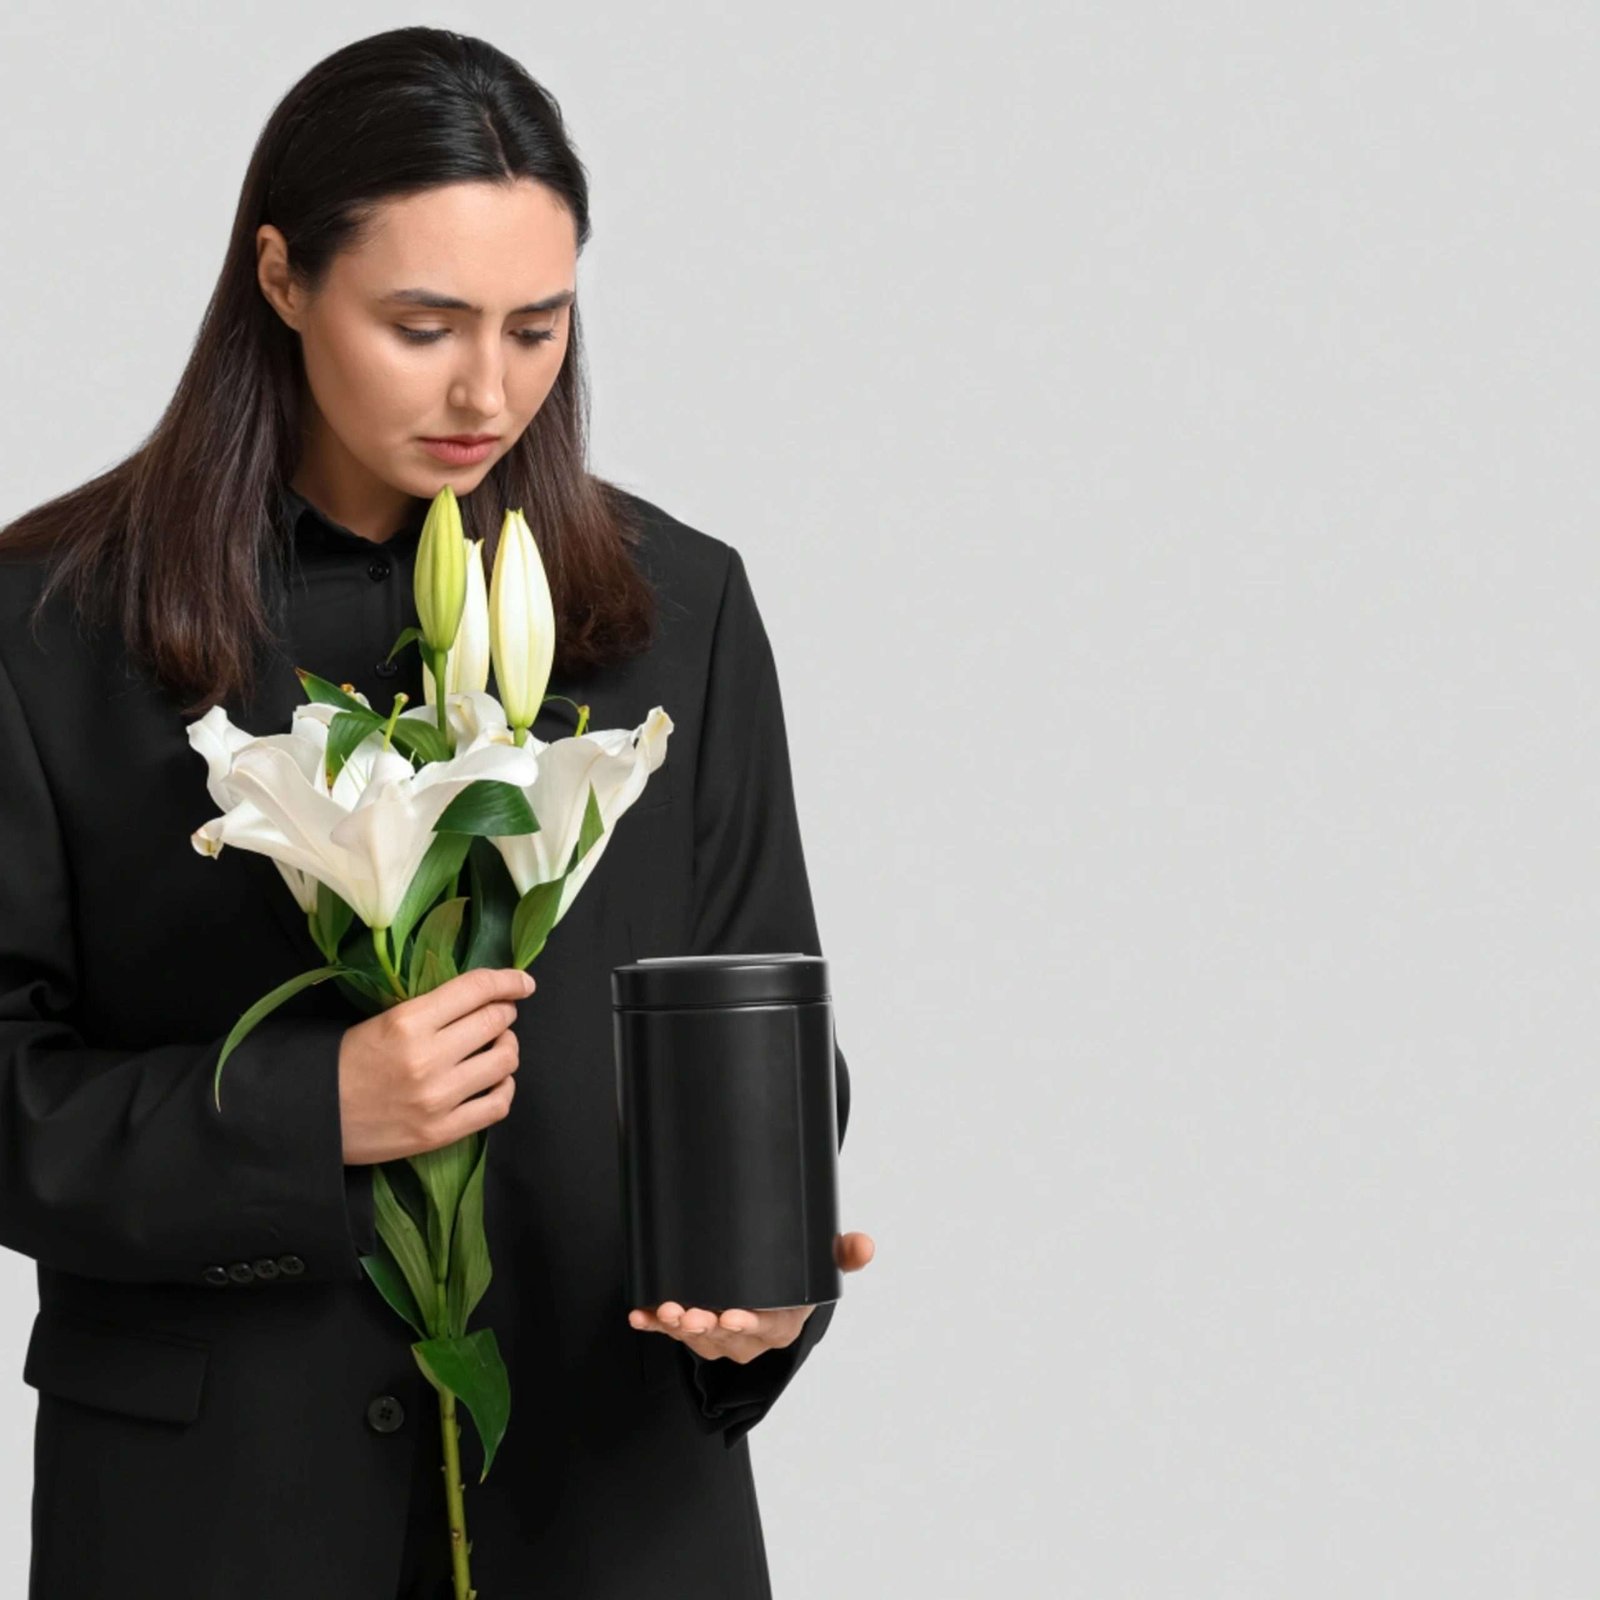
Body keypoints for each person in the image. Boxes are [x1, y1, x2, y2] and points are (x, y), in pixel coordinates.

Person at [0, 26, 873, 1599]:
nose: (490, 389)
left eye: (539, 327)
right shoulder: (50, 626)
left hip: (611, 1509)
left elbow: (761, 1023)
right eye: (422, 325)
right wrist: (302, 1111)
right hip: (216, 1525)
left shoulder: (682, 608)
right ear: (280, 276)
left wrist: (755, 1293)